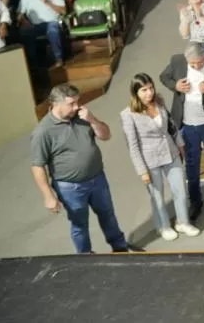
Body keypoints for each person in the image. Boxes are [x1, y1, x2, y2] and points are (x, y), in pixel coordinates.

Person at [30, 83, 133, 254]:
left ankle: (119, 247)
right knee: (79, 225)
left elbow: (106, 135)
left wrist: (92, 120)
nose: (76, 107)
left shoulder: (82, 117)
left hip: (97, 179)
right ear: (56, 104)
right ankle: (85, 256)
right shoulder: (43, 132)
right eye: (71, 103)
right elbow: (37, 166)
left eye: (78, 102)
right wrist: (48, 196)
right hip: (70, 188)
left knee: (108, 214)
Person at [120, 73, 200, 241]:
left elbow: (171, 126)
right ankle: (162, 226)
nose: (149, 93)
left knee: (180, 190)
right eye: (144, 90)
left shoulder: (159, 102)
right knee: (157, 196)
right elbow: (132, 146)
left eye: (150, 88)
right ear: (135, 93)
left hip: (171, 153)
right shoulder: (128, 115)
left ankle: (183, 222)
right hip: (150, 161)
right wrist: (142, 171)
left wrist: (180, 145)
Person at [159, 43, 204, 220]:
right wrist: (175, 85)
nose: (197, 66)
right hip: (187, 122)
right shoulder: (177, 61)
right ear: (186, 60)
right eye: (193, 64)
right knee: (192, 162)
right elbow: (163, 77)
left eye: (200, 62)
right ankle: (195, 199)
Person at [18, 0, 67, 70]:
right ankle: (33, 64)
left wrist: (49, 2)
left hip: (52, 22)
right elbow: (20, 13)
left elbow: (64, 11)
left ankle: (58, 58)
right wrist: (23, 21)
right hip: (35, 25)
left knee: (52, 31)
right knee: (25, 33)